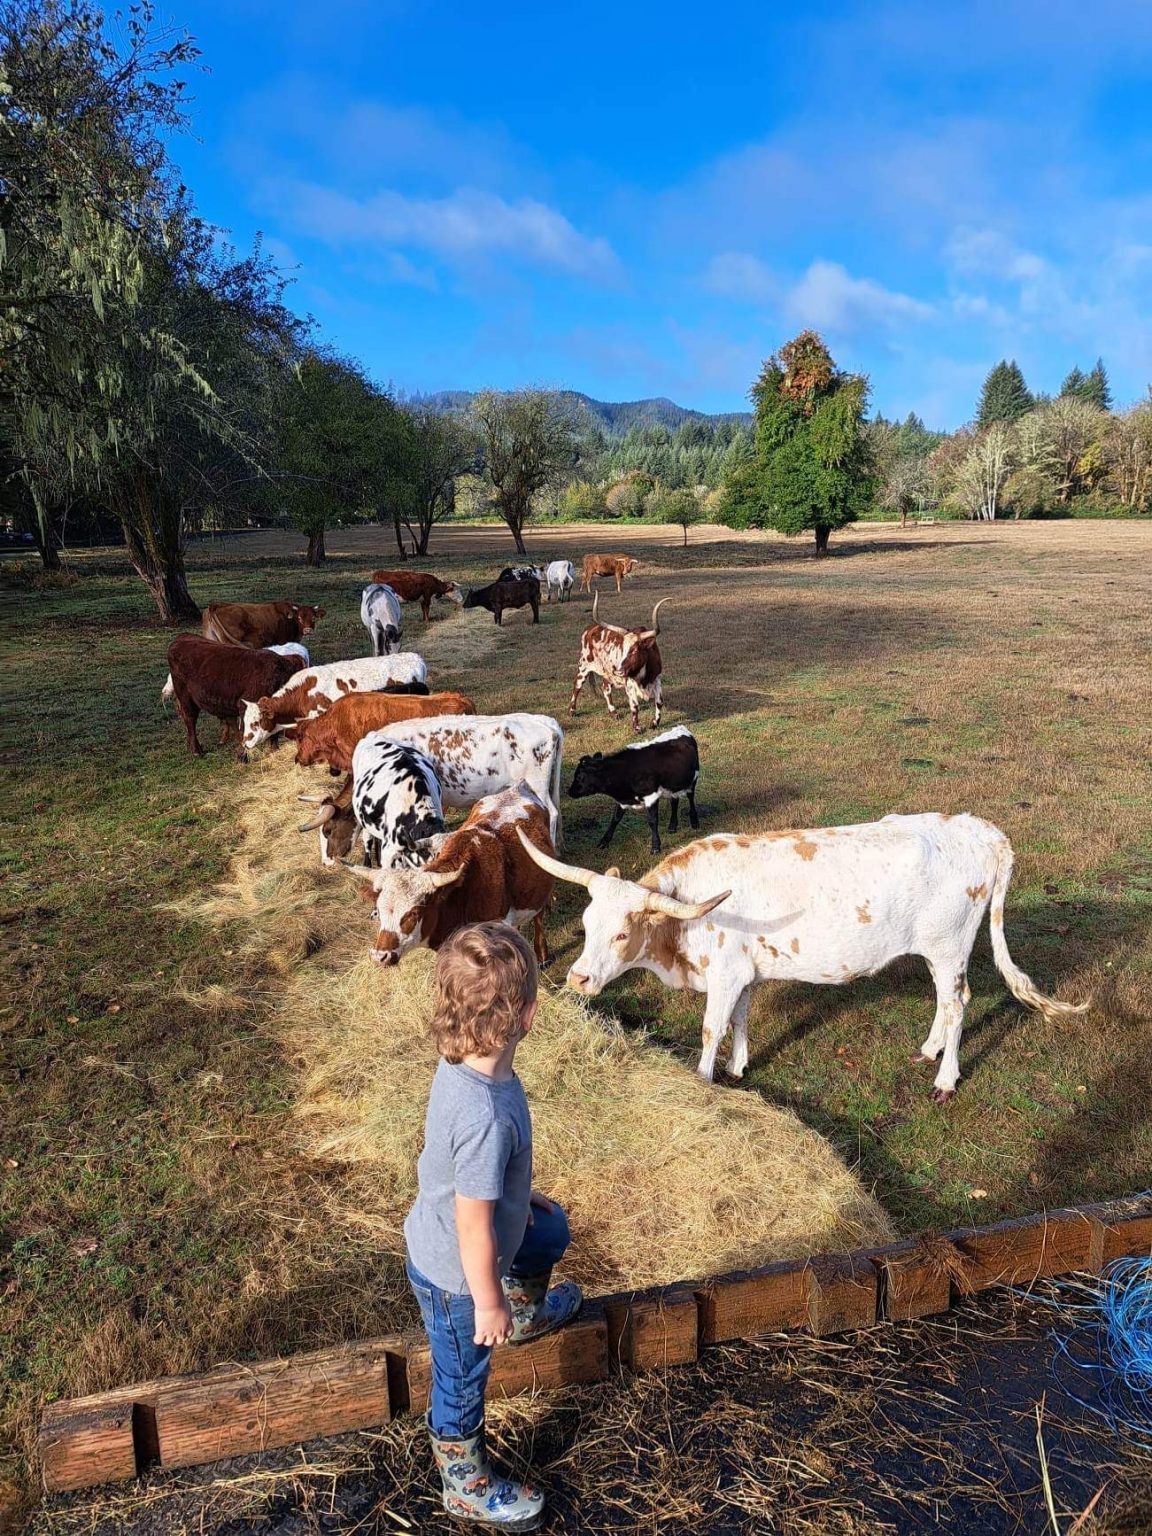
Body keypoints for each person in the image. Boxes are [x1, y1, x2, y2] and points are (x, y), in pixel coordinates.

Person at [405, 922, 582, 1530]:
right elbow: (472, 1223)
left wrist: (518, 1192)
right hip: (458, 1276)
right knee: (462, 1378)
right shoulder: (483, 1115)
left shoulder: (470, 1067)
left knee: (550, 1230)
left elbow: (469, 1178)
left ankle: (526, 1309)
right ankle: (465, 1481)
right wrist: (486, 1304)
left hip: (481, 1236)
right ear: (528, 1014)